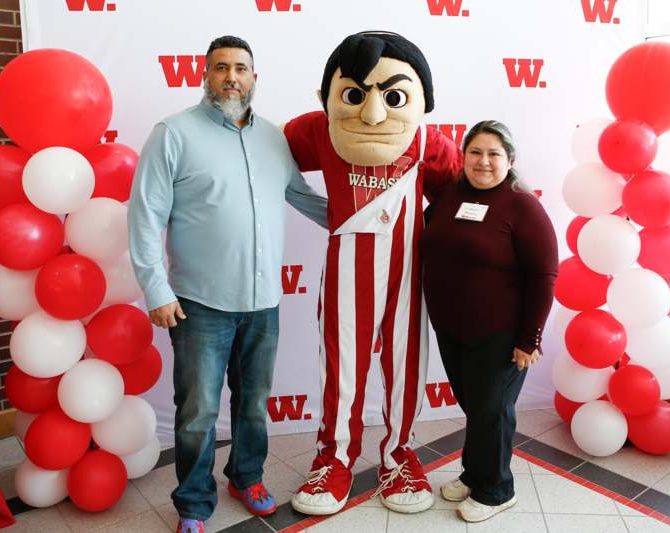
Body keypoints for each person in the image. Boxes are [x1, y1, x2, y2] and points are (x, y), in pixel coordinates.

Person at [128, 35, 328, 533]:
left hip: (263, 303)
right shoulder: (173, 134)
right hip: (198, 305)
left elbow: (301, 196)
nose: (232, 77)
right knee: (197, 412)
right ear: (206, 75)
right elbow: (145, 216)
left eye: (241, 68)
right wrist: (156, 289)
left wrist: (368, 221)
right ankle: (194, 504)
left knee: (254, 404)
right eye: (221, 67)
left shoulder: (273, 138)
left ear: (254, 78)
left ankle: (246, 477)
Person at [282, 31, 463, 515]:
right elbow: (268, 163)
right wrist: (326, 212)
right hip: (345, 270)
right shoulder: (317, 130)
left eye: (393, 95)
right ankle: (334, 458)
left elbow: (457, 196)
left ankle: (399, 455)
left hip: (409, 272)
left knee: (406, 368)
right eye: (357, 94)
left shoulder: (429, 140)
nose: (374, 112)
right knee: (341, 370)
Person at [419, 120, 558, 523]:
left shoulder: (522, 205)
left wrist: (529, 338)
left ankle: (497, 490)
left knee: (493, 411)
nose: (483, 162)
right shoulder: (449, 196)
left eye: (494, 154)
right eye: (475, 152)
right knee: (476, 408)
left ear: (509, 160)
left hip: (502, 334)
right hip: (452, 329)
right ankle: (474, 473)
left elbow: (544, 275)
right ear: (464, 157)